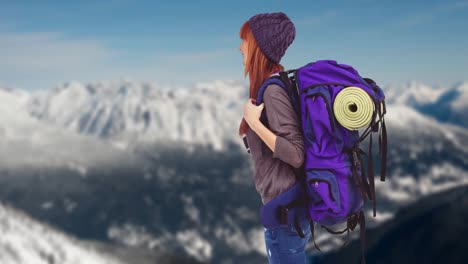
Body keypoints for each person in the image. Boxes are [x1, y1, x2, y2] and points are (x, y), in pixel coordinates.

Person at [239, 12, 312, 264]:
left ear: (259, 47)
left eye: (245, 40)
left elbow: (296, 154)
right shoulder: (272, 86)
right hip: (286, 212)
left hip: (285, 216)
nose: (240, 47)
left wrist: (254, 124)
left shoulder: (272, 91)